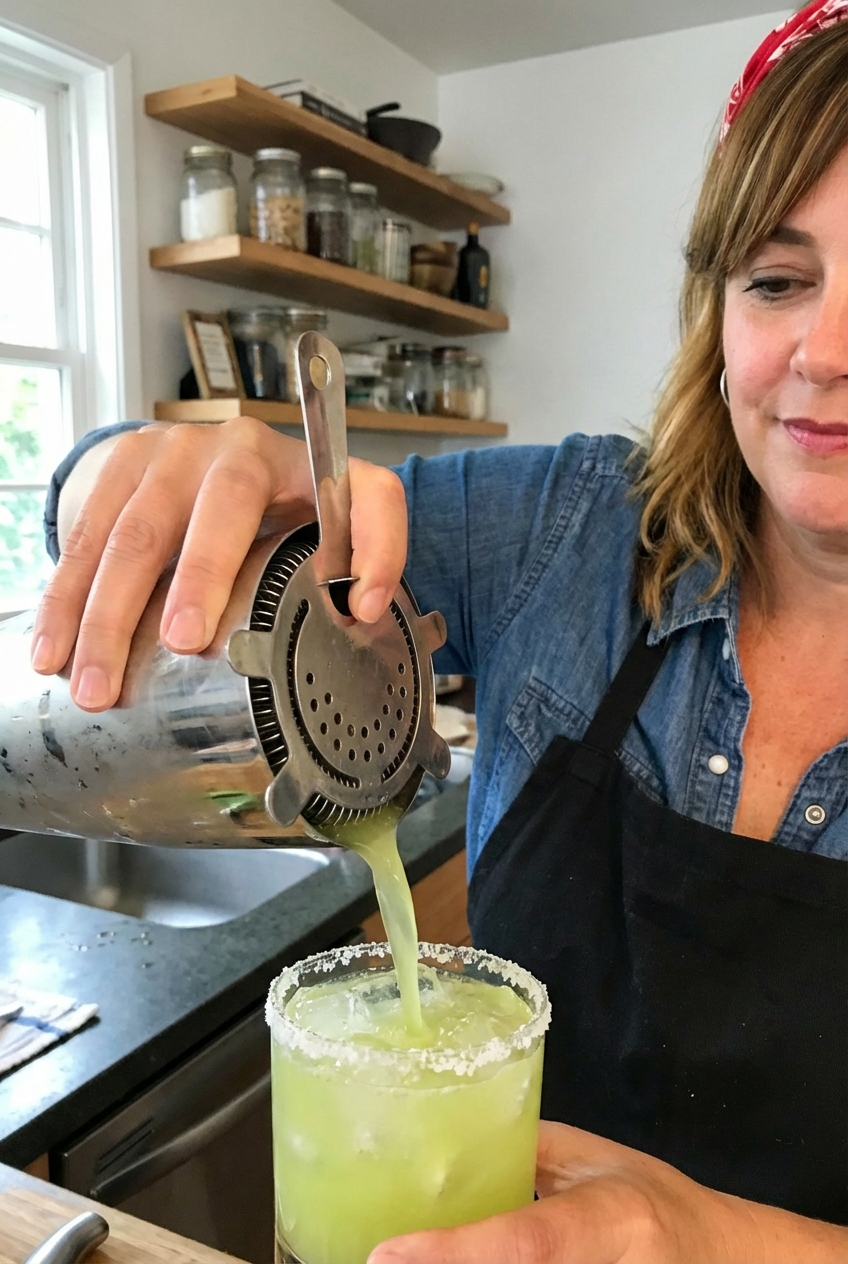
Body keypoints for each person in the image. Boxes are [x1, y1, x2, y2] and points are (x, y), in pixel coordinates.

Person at [33, 3, 847, 1260]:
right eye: (779, 281)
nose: (825, 349)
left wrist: (712, 1237)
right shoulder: (571, 529)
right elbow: (190, 528)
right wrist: (139, 482)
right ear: (715, 314)